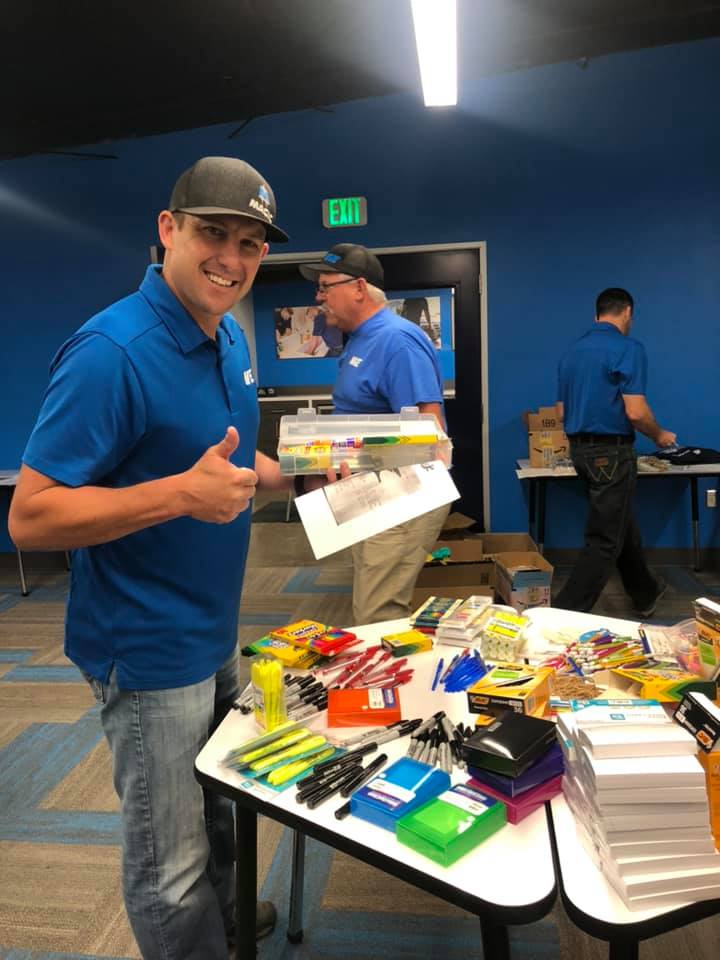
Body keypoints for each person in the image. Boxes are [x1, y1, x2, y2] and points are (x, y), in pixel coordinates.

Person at [9, 156, 315, 960]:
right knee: (169, 862)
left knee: (221, 808)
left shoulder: (227, 338)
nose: (233, 258)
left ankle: (222, 923)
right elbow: (30, 517)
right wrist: (180, 496)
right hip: (145, 647)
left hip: (215, 629)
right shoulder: (112, 350)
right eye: (215, 233)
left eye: (250, 244)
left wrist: (320, 472)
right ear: (167, 230)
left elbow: (231, 464)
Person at [299, 243, 451, 624]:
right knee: (373, 606)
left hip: (402, 496)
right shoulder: (361, 338)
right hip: (370, 494)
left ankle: (390, 685)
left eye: (325, 286)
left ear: (359, 288)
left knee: (377, 615)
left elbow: (430, 433)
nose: (319, 298)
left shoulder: (397, 341)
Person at [554, 287, 676, 615]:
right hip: (611, 453)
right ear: (627, 313)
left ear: (597, 315)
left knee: (620, 523)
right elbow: (635, 412)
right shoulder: (628, 348)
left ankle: (645, 592)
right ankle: (562, 613)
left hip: (580, 453)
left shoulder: (572, 353)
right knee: (604, 540)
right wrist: (660, 434)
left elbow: (562, 413)